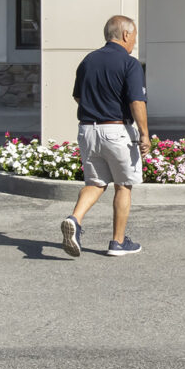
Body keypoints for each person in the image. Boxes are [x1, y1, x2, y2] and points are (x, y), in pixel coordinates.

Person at [60, 14, 149, 259]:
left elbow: (78, 96)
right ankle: (118, 243)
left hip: (87, 129)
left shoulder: (88, 60)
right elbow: (136, 101)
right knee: (123, 185)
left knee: (96, 183)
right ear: (125, 35)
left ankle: (74, 220)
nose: (134, 42)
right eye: (134, 36)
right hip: (116, 130)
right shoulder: (129, 63)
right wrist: (145, 135)